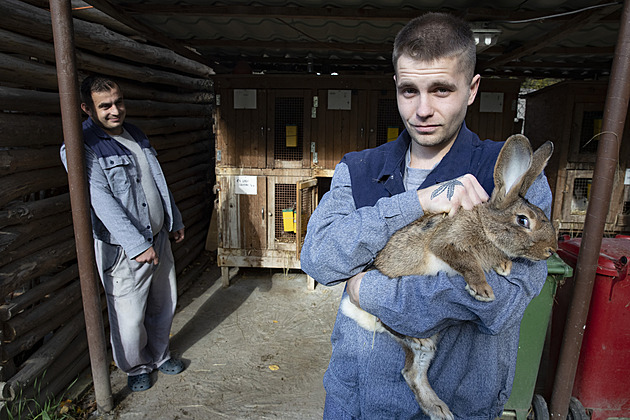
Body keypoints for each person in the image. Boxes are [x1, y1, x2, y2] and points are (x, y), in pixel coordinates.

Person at [300, 12, 552, 420]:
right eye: (408, 91)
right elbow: (319, 259)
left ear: (471, 90)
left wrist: (367, 290)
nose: (422, 109)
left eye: (440, 90)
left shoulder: (515, 184)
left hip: (457, 408)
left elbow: (497, 305)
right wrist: (415, 202)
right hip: (357, 402)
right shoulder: (359, 168)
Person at [60, 75, 186, 392]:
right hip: (124, 248)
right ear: (86, 108)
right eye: (106, 106)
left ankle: (159, 356)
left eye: (118, 102)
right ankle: (135, 367)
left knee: (164, 303)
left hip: (158, 236)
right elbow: (100, 201)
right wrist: (136, 245)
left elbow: (156, 180)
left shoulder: (135, 133)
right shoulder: (81, 147)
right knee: (129, 317)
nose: (115, 110)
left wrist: (174, 219)